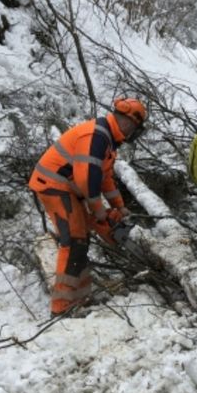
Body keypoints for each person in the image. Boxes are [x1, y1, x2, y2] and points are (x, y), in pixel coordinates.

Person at [29, 97, 147, 315]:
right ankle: (62, 306)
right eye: (135, 129)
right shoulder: (97, 136)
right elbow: (87, 180)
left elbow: (105, 178)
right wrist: (98, 211)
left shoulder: (108, 140)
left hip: (68, 188)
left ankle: (80, 297)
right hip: (54, 185)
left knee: (82, 239)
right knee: (74, 241)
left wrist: (119, 207)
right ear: (129, 124)